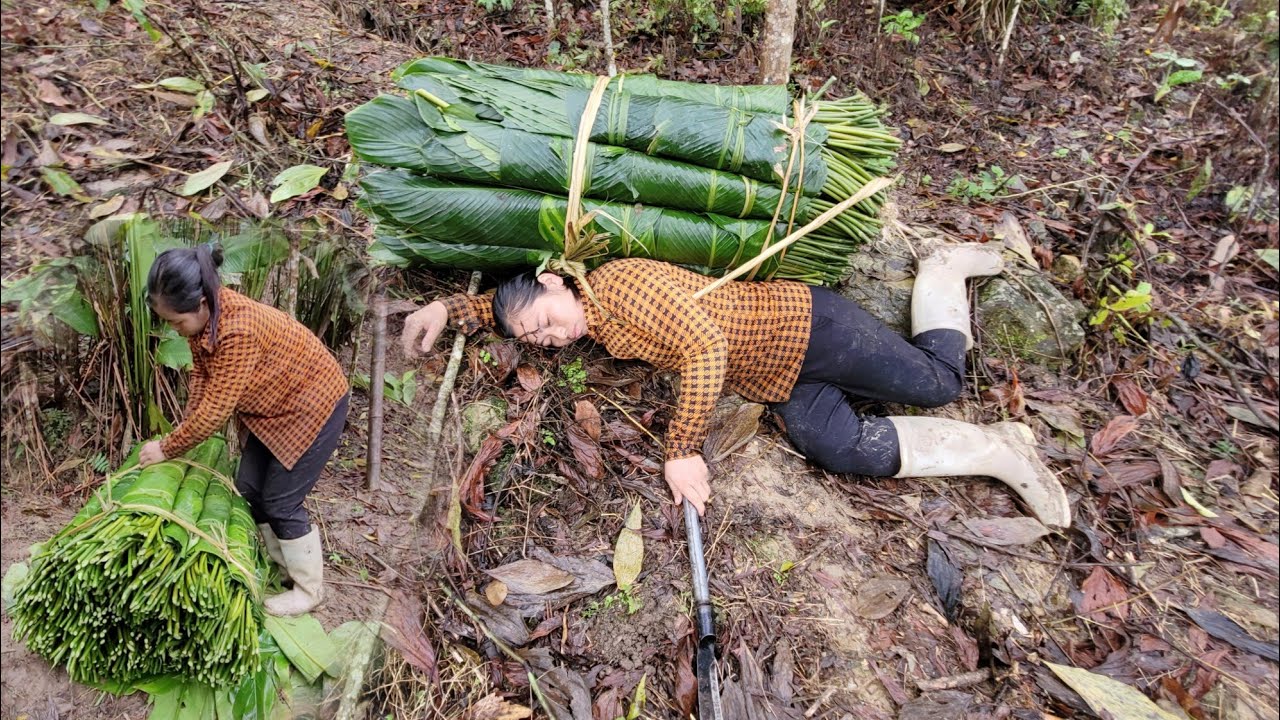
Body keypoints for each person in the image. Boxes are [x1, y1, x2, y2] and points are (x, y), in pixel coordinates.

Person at [401, 245, 1071, 527]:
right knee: (835, 448)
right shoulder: (585, 318)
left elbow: (705, 348)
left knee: (937, 384)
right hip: (776, 374)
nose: (549, 339)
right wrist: (448, 311)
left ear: (556, 281)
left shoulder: (621, 290)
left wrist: (681, 447)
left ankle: (943, 270)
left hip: (811, 327)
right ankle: (996, 449)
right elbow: (502, 310)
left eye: (547, 323)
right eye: (537, 341)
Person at [138, 244, 350, 616]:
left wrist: (168, 448)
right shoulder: (207, 319)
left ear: (201, 302)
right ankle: (281, 568)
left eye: (175, 321)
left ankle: (309, 590)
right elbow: (203, 378)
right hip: (274, 409)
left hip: (315, 405)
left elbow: (217, 409)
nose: (174, 329)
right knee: (250, 488)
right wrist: (185, 427)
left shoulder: (239, 331)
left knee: (282, 502)